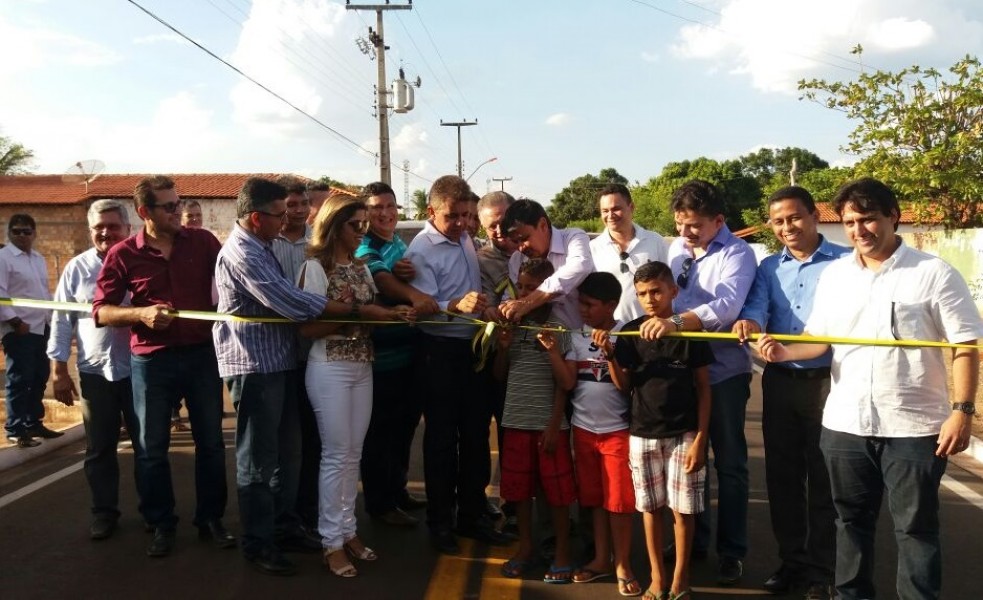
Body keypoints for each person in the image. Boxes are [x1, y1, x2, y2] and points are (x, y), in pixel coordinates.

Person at [757, 178, 982, 600]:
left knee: (915, 528)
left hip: (913, 427)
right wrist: (784, 353)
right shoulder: (838, 275)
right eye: (850, 222)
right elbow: (820, 336)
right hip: (845, 424)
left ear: (893, 217)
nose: (860, 230)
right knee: (849, 522)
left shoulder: (933, 273)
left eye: (869, 219)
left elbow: (965, 346)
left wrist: (962, 410)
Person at [93, 175, 233, 558]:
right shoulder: (122, 253)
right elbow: (101, 311)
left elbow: (230, 286)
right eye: (169, 206)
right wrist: (141, 312)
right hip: (152, 362)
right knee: (151, 448)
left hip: (202, 356)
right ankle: (161, 523)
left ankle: (210, 519)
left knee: (211, 444)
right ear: (145, 212)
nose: (179, 211)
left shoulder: (203, 242)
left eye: (179, 203)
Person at [213, 177, 335, 575]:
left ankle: (283, 527)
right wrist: (342, 308)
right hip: (253, 367)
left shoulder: (261, 246)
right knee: (258, 461)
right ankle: (258, 541)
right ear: (255, 217)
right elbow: (289, 303)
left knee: (288, 453)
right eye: (279, 214)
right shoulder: (243, 252)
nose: (286, 221)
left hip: (276, 361)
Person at [732, 186, 849, 599]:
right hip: (780, 381)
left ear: (814, 216)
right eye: (779, 221)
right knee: (783, 479)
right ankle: (791, 563)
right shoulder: (768, 267)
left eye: (794, 218)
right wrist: (749, 325)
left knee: (823, 479)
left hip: (828, 383)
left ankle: (822, 571)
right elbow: (756, 309)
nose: (787, 227)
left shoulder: (845, 261)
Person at [640, 180, 756, 585]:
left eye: (694, 226)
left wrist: (673, 323)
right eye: (680, 224)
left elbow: (726, 308)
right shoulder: (677, 250)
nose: (686, 233)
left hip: (723, 372)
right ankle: (695, 540)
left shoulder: (737, 254)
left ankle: (732, 550)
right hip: (681, 373)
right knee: (690, 465)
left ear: (718, 221)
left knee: (729, 464)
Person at [298, 194, 413, 577]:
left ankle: (347, 530)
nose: (363, 230)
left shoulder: (362, 268)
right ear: (333, 226)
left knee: (352, 454)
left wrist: (394, 314)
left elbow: (370, 318)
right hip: (329, 365)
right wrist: (357, 314)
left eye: (364, 223)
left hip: (362, 365)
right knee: (334, 455)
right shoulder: (315, 268)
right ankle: (330, 541)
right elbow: (309, 329)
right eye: (356, 224)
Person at [403, 174, 510, 554]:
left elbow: (472, 290)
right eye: (453, 216)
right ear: (431, 212)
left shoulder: (464, 238)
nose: (463, 223)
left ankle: (471, 516)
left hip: (473, 351)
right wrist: (455, 305)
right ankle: (440, 523)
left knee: (477, 436)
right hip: (440, 353)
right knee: (442, 442)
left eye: (467, 215)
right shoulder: (420, 252)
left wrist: (481, 304)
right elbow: (424, 311)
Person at [600, 261, 713, 600]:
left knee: (683, 510)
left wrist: (701, 438)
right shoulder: (631, 334)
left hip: (684, 434)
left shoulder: (690, 332)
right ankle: (657, 577)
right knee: (650, 509)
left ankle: (680, 579)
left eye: (656, 292)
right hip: (642, 433)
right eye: (642, 294)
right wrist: (609, 355)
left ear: (672, 291)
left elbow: (705, 388)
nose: (650, 299)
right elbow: (624, 386)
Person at [47, 200, 136, 539]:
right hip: (95, 373)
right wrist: (59, 370)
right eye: (99, 227)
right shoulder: (76, 268)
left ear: (127, 229)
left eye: (113, 226)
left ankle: (156, 515)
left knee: (148, 446)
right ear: (90, 230)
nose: (105, 232)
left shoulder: (140, 262)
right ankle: (104, 512)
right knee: (99, 447)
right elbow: (61, 320)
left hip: (138, 369)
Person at [355, 181, 436, 529]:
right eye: (376, 208)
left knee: (403, 429)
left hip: (409, 354)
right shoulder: (364, 246)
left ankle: (398, 490)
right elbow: (384, 283)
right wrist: (416, 297)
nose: (385, 213)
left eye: (390, 206)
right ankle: (380, 503)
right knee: (380, 434)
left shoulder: (398, 242)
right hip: (381, 359)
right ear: (366, 212)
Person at [494, 259, 576, 584]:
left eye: (533, 288)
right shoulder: (513, 327)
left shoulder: (560, 328)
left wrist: (555, 424)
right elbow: (500, 376)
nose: (525, 294)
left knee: (555, 494)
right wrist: (501, 348)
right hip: (516, 420)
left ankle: (561, 553)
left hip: (547, 425)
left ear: (548, 292)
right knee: (520, 493)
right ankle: (526, 547)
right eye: (522, 287)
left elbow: (565, 385)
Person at [566, 272, 639, 595]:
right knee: (594, 499)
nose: (582, 310)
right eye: (580, 303)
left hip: (617, 432)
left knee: (619, 503)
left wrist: (609, 353)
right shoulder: (576, 336)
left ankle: (623, 563)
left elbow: (626, 387)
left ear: (611, 305)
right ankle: (600, 559)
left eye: (590, 305)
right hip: (583, 430)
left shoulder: (627, 335)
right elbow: (568, 384)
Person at [269, 175, 322, 538]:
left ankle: (308, 511)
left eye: (304, 204)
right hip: (275, 354)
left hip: (311, 354)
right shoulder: (266, 246)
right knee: (282, 445)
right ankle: (280, 515)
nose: (300, 210)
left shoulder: (317, 245)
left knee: (312, 440)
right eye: (292, 205)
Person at [475, 190, 517, 522]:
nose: (500, 232)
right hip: (495, 357)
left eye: (505, 223)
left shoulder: (536, 249)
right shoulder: (480, 260)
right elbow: (488, 308)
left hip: (539, 358)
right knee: (497, 431)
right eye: (491, 227)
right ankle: (504, 503)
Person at [1, 213, 56, 448]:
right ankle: (15, 428)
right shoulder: (3, 258)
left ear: (34, 233)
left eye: (26, 231)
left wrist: (53, 320)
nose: (22, 235)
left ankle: (33, 422)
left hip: (40, 326)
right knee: (19, 379)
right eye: (16, 231)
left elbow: (43, 292)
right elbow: (0, 292)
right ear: (9, 233)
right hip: (19, 329)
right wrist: (14, 321)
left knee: (39, 376)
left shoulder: (38, 258)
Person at [500, 199, 594, 328]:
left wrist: (529, 302)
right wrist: (504, 309)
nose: (521, 248)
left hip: (581, 340)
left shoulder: (572, 238)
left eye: (524, 239)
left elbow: (580, 267)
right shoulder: (517, 259)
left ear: (543, 225)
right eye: (516, 242)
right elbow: (511, 297)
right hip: (536, 343)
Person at [589, 183, 668, 321]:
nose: (610, 215)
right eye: (605, 211)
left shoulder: (655, 241)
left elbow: (669, 286)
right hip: (613, 335)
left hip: (653, 330)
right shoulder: (592, 248)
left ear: (631, 207)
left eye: (616, 209)